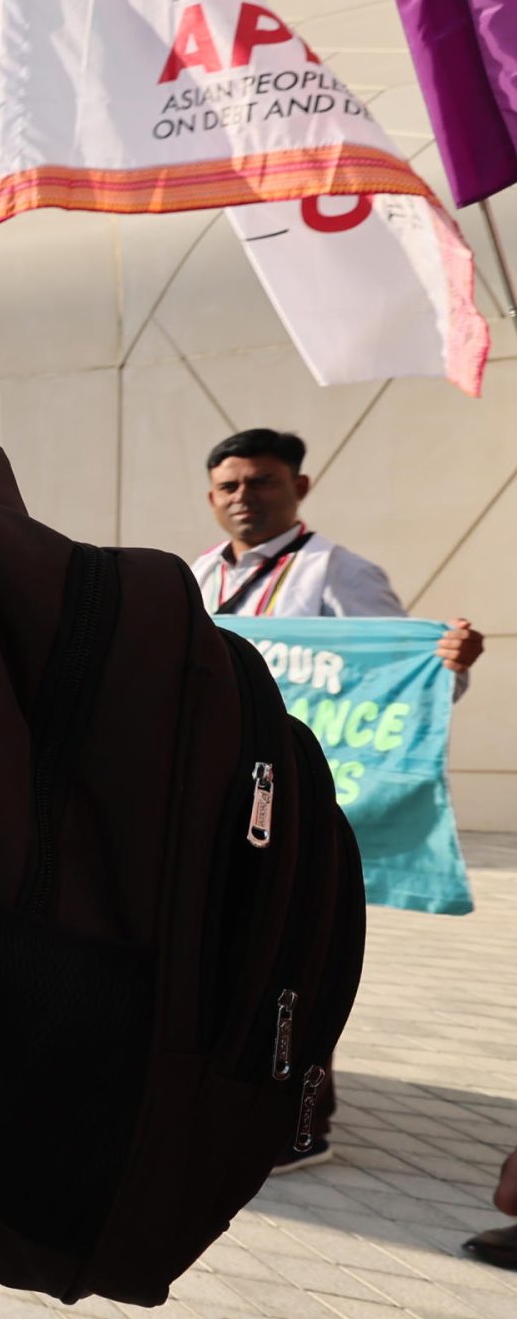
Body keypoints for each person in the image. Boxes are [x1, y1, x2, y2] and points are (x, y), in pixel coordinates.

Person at [190, 427, 487, 1174]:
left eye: (261, 482)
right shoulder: (196, 576)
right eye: (229, 486)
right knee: (226, 958)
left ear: (300, 487)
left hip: (304, 810)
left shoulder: (339, 572)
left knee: (301, 965)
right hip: (223, 803)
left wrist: (447, 665)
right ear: (211, 498)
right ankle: (225, 1100)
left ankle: (304, 1122)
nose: (244, 498)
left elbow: (399, 681)